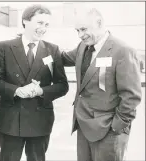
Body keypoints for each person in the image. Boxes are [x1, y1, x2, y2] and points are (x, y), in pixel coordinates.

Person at [61, 6, 142, 161]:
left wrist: (116, 126)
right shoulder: (82, 47)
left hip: (109, 130)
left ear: (99, 23)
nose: (80, 35)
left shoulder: (123, 51)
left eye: (83, 29)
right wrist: (38, 43)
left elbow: (131, 96)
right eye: (77, 30)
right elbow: (63, 57)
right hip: (83, 125)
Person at [0, 4, 68, 161]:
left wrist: (41, 91)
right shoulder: (5, 47)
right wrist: (17, 90)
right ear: (25, 21)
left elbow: (62, 85)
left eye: (46, 24)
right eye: (39, 23)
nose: (43, 28)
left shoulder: (53, 50)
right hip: (11, 120)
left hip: (40, 120)